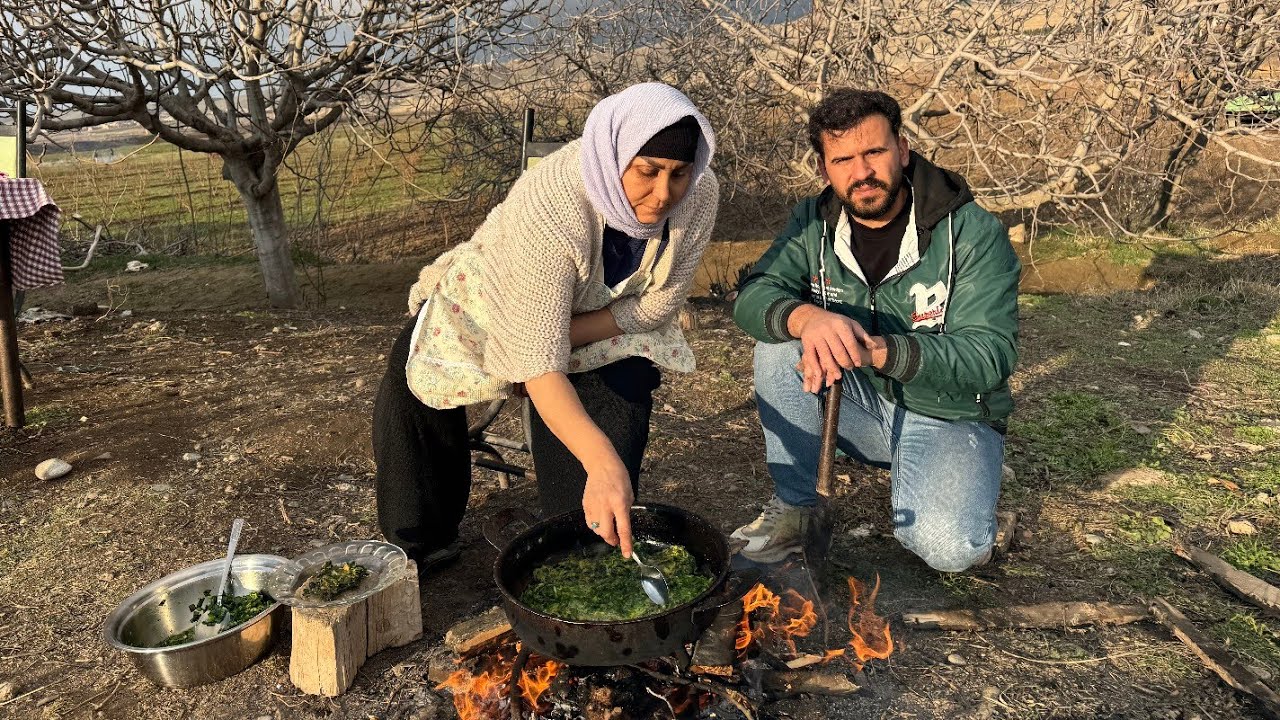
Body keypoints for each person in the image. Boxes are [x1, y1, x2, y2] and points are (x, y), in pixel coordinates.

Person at [373, 83, 718, 569]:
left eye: (678, 174)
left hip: (601, 318)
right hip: (497, 298)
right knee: (415, 376)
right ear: (615, 156)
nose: (664, 194)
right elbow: (537, 362)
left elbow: (658, 305)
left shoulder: (699, 194)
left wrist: (553, 345)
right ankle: (420, 543)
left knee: (586, 514)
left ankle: (579, 535)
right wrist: (536, 355)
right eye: (648, 171)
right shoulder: (553, 202)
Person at [730, 89, 1019, 572]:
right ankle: (798, 509)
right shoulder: (813, 222)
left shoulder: (971, 231)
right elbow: (755, 294)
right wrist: (809, 319)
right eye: (842, 160)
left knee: (950, 549)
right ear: (824, 168)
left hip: (949, 414)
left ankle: (970, 484)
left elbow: (990, 355)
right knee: (779, 346)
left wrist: (877, 351)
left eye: (874, 152)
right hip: (859, 405)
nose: (861, 172)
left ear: (902, 150)